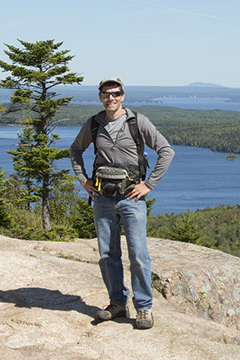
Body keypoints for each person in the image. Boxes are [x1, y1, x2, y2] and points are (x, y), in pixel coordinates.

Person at [70, 77, 174, 329]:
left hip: (131, 198)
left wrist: (148, 184)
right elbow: (75, 150)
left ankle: (144, 308)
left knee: (138, 254)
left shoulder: (137, 122)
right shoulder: (94, 124)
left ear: (123, 95)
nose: (111, 98)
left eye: (115, 93)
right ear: (100, 97)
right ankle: (117, 304)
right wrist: (84, 180)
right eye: (106, 94)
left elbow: (166, 150)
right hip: (102, 198)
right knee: (107, 255)